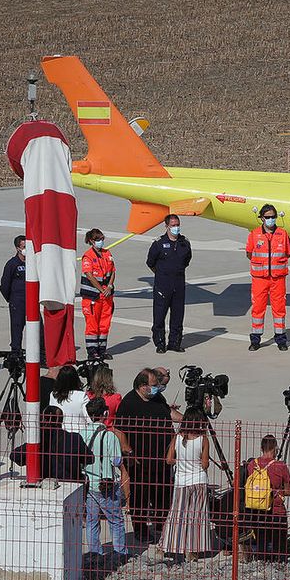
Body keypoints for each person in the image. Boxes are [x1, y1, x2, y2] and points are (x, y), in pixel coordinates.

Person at [117, 369, 176, 537]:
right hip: (140, 461)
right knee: (141, 496)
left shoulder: (157, 398)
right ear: (142, 386)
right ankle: (141, 531)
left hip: (161, 458)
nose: (157, 388)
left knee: (162, 495)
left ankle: (160, 526)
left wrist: (188, 419)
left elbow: (168, 413)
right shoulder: (129, 403)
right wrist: (128, 450)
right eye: (153, 385)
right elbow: (119, 429)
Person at [81, 396, 132, 564]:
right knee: (115, 520)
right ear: (105, 413)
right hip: (106, 484)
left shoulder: (82, 434)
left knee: (92, 520)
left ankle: (95, 552)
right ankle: (120, 552)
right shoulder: (110, 437)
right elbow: (117, 461)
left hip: (88, 484)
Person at [245, 204, 290, 351]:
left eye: (273, 217)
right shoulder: (254, 234)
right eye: (267, 217)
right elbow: (249, 253)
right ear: (261, 218)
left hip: (278, 279)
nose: (270, 219)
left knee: (279, 309)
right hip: (260, 278)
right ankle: (255, 339)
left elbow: (288, 252)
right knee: (258, 309)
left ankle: (281, 339)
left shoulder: (283, 234)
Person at [147, 214, 192, 354]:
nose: (176, 228)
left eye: (177, 225)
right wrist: (162, 274)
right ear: (166, 226)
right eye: (173, 225)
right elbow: (150, 262)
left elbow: (186, 261)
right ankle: (160, 343)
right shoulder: (158, 244)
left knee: (178, 315)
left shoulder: (184, 243)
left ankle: (175, 343)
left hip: (178, 284)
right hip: (163, 285)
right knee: (160, 315)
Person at [242, 435, 290, 557]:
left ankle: (261, 564)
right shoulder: (281, 466)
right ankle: (278, 564)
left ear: (261, 448)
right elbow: (288, 491)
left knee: (261, 544)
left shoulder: (252, 465)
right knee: (278, 546)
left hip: (258, 511)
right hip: (276, 511)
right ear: (276, 448)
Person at [81, 228, 116, 362]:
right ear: (91, 241)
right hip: (92, 297)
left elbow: (113, 271)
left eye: (102, 239)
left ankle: (102, 350)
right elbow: (89, 275)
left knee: (104, 324)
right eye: (98, 239)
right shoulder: (88, 256)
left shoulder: (107, 253)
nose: (101, 241)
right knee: (92, 325)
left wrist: (110, 286)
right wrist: (102, 289)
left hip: (106, 296)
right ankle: (92, 351)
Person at [0, 234, 28, 357]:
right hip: (17, 301)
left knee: (38, 327)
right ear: (18, 248)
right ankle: (16, 352)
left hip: (31, 301)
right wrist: (12, 299)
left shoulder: (32, 262)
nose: (27, 249)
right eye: (24, 246)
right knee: (17, 327)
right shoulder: (12, 264)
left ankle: (41, 352)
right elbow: (4, 285)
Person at [51, 364, 92, 434]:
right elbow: (89, 418)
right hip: (80, 435)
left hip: (60, 434)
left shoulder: (53, 395)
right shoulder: (82, 396)